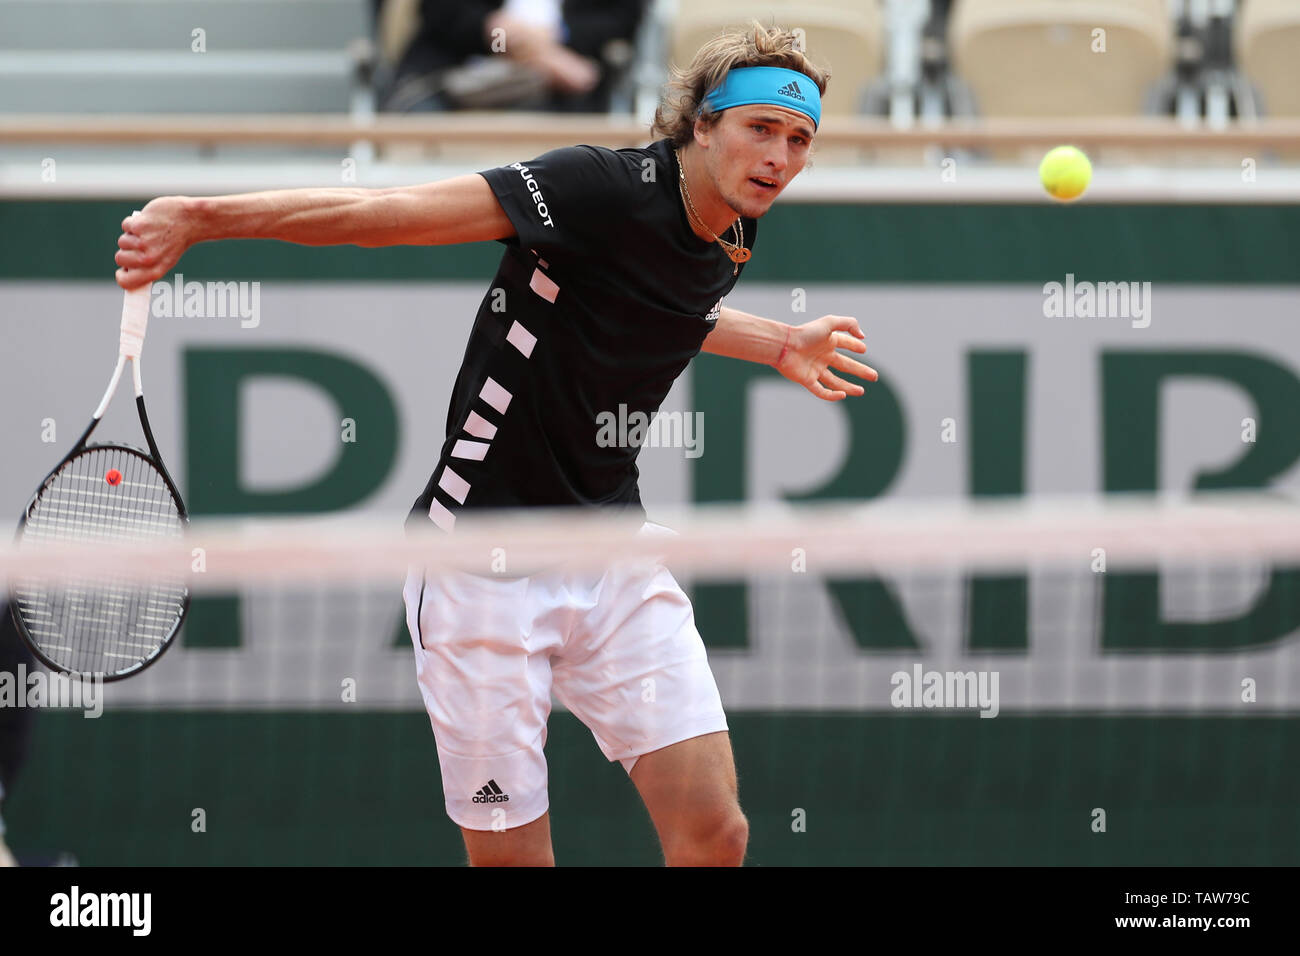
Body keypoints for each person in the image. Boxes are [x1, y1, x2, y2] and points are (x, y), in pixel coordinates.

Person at [113, 21, 878, 866]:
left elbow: (662, 307)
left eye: (798, 139)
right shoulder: (594, 187)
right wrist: (203, 218)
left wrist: (775, 341)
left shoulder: (733, 230)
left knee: (714, 833)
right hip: (481, 570)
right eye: (759, 129)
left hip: (612, 555)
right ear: (701, 124)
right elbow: (385, 216)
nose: (778, 155)